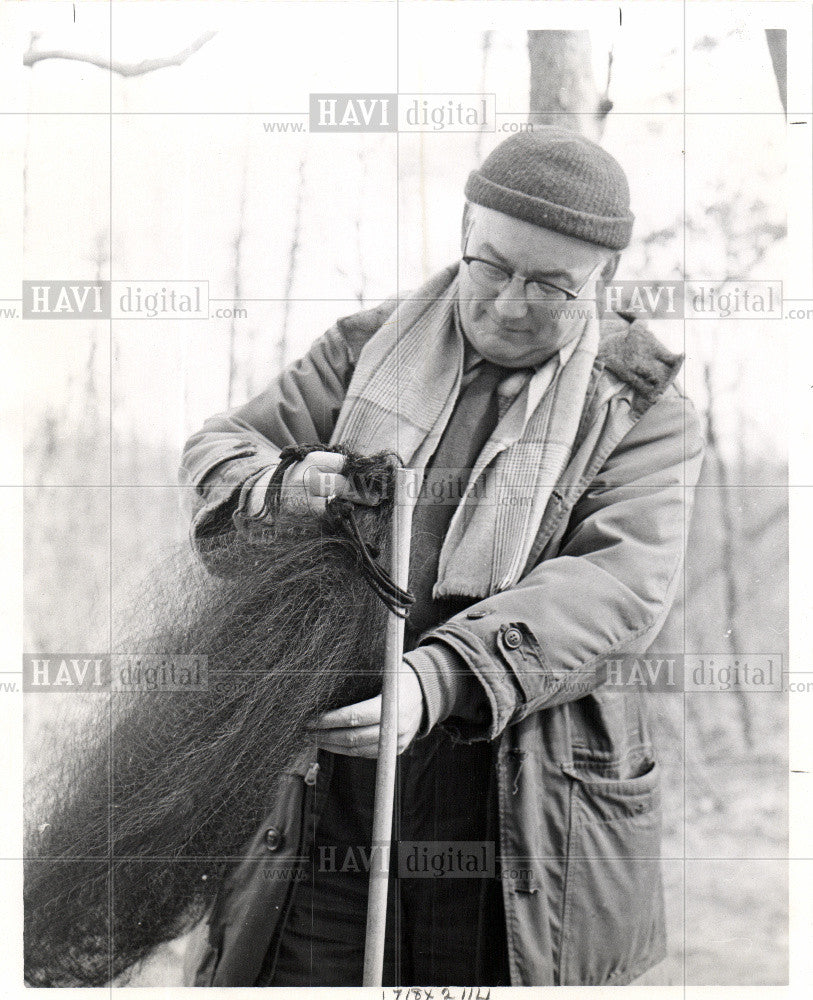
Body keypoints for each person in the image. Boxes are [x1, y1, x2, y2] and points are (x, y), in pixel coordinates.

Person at [179, 129, 704, 987]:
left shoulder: (643, 411)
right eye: (490, 267)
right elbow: (222, 446)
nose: (506, 305)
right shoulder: (364, 349)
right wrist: (276, 486)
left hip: (519, 809)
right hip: (332, 796)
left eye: (550, 286)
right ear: (463, 230)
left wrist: (440, 679)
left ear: (604, 280)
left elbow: (617, 586)